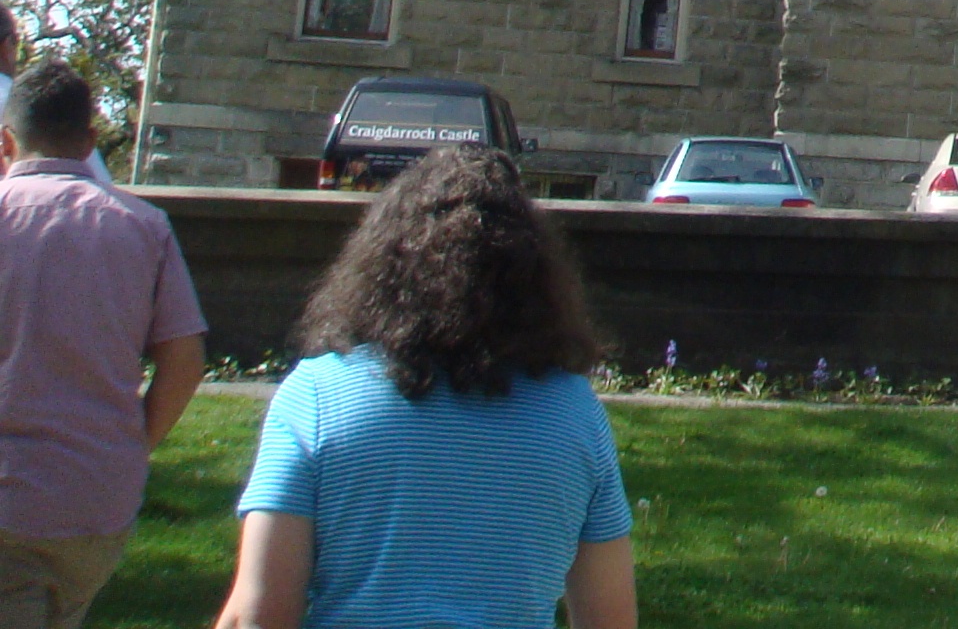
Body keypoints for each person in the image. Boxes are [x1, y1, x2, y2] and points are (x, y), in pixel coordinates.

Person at [214, 146, 635, 629]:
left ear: (383, 261)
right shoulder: (574, 414)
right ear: (536, 275)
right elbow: (611, 620)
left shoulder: (316, 397)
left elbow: (260, 614)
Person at [0, 58, 208, 629]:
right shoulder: (144, 226)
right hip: (98, 497)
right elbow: (185, 362)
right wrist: (134, 445)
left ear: (6, 142)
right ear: (91, 140)